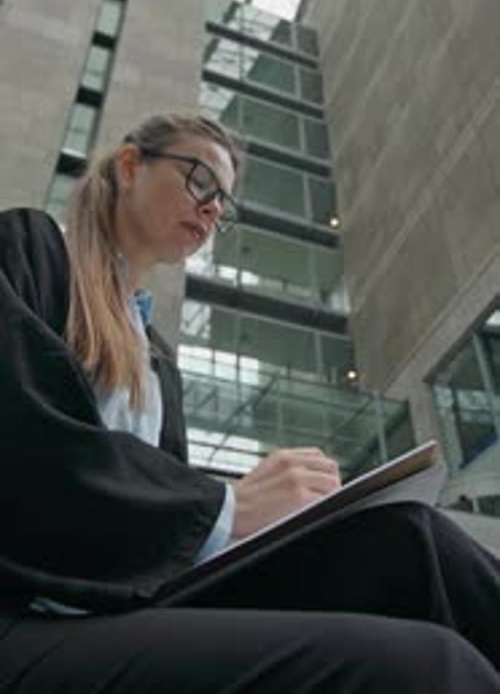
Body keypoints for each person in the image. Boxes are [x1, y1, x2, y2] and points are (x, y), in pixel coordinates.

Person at [0, 112, 499, 694]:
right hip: (27, 611)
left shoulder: (156, 360)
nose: (213, 210)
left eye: (224, 203)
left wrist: (271, 526)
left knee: (408, 537)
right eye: (200, 181)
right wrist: (232, 504)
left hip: (125, 603)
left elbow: (162, 530)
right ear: (132, 165)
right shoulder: (27, 247)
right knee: (428, 666)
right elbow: (25, 446)